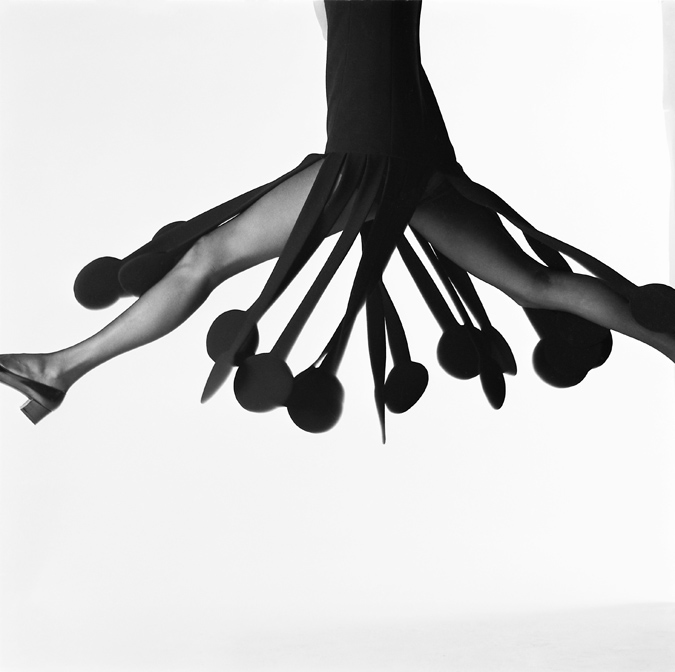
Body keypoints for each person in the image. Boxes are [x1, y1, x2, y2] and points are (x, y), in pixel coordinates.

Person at [1, 0, 674, 439]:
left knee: (204, 260)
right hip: (409, 152)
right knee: (534, 284)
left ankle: (57, 369)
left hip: (368, 158)